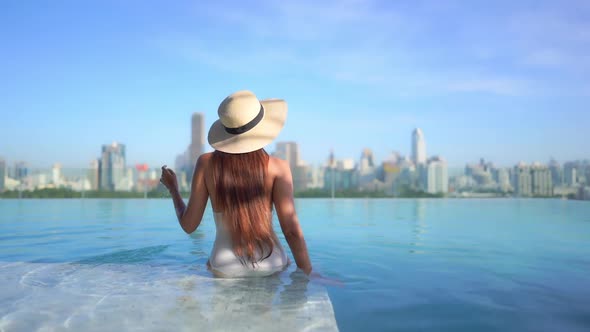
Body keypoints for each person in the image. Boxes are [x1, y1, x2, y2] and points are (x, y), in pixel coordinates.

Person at [160, 90, 313, 278]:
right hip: (272, 262)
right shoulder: (278, 167)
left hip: (224, 265)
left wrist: (173, 189)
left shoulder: (206, 163)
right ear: (262, 128)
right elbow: (291, 231)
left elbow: (189, 225)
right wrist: (308, 273)